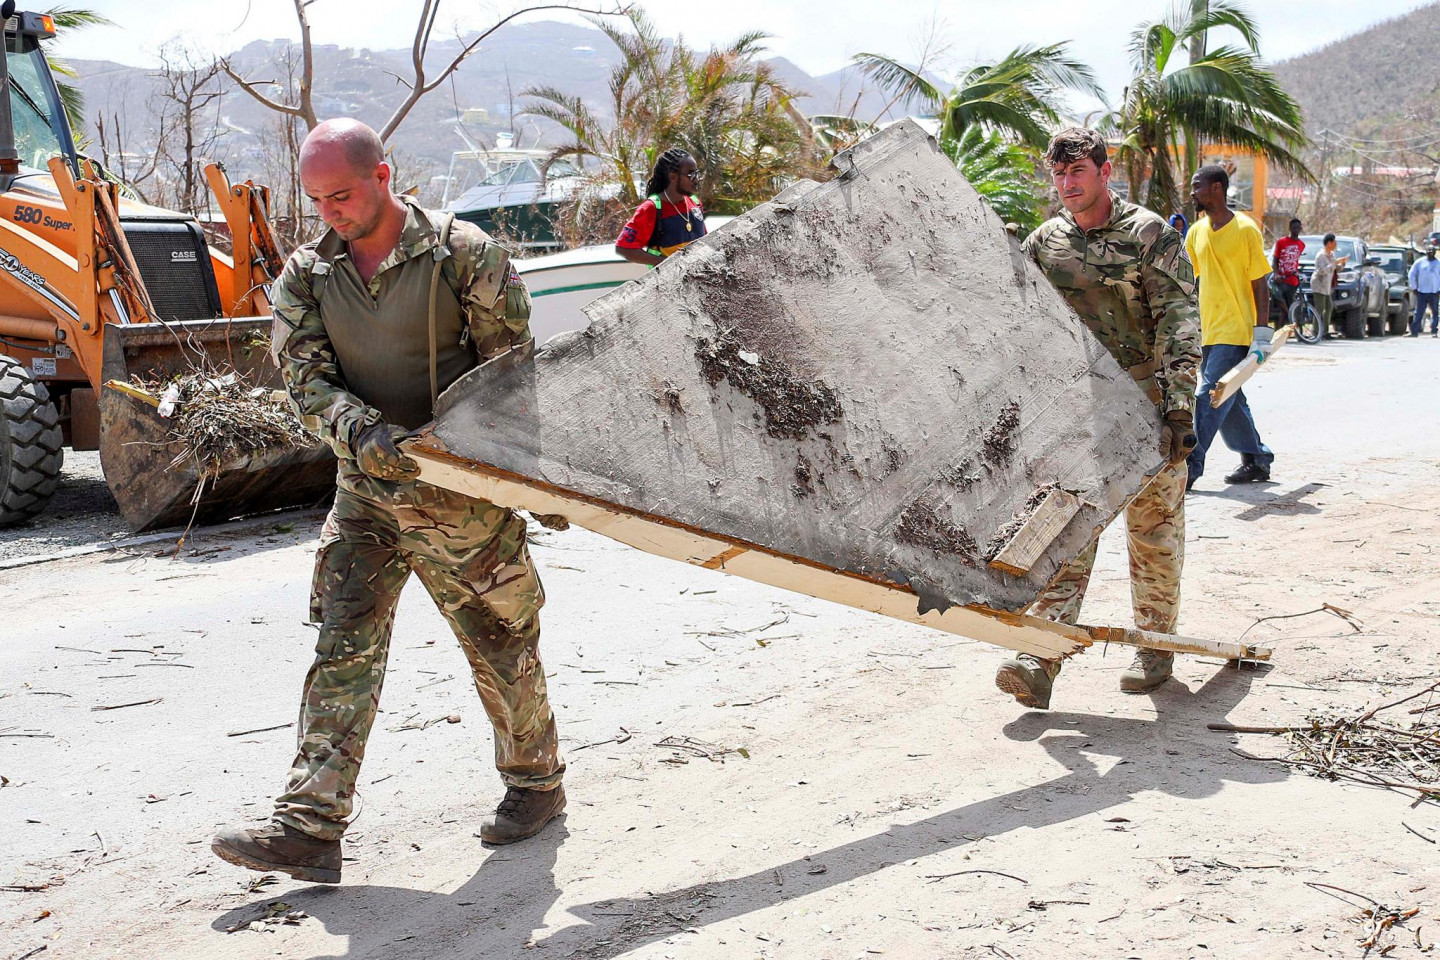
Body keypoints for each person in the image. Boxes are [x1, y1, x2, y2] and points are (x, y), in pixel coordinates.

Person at [210, 119, 567, 885]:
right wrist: (361, 430)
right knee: (342, 645)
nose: (329, 212)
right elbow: (305, 379)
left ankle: (536, 782)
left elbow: (512, 376)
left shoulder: (463, 255)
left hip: (461, 500)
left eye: (341, 195)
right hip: (366, 498)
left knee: (499, 642)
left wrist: (528, 477)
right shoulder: (309, 275)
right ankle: (309, 826)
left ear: (383, 175)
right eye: (317, 200)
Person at [993, 128, 1200, 710]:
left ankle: (1155, 648)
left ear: (1105, 172)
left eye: (1077, 171)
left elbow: (1180, 321)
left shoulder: (1149, 235)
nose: (1067, 184)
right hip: (1076, 414)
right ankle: (1041, 657)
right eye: (1059, 174)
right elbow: (1020, 322)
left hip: (1147, 410)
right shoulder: (1045, 242)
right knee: (1064, 533)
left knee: (1153, 534)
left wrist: (1178, 407)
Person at [1184, 164, 1277, 488]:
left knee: (1211, 394)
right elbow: (1187, 281)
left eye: (1197, 186)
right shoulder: (1196, 232)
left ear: (1217, 188)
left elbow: (1260, 284)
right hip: (1207, 330)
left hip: (1235, 330)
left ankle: (1189, 467)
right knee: (1230, 396)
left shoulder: (1246, 229)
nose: (1192, 193)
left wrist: (1261, 335)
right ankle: (1257, 459)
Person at [615, 148, 706, 265]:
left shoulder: (695, 202)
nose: (696, 180)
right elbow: (624, 248)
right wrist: (665, 264)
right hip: (670, 276)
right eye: (691, 175)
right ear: (673, 177)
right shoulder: (651, 208)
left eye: (697, 174)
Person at [1271, 218, 1305, 326]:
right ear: (1290, 228)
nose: (1296, 230)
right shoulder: (1281, 242)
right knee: (1278, 298)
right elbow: (1275, 260)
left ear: (1300, 228)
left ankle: (1283, 328)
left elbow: (1295, 261)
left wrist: (1296, 272)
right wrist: (1276, 274)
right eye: (1293, 228)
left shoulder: (1301, 244)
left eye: (1298, 228)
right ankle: (1291, 319)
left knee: (1289, 305)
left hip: (1292, 280)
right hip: (1281, 279)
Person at [1408, 244, 1440, 337]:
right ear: (1426, 252)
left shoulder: (1438, 263)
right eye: (1429, 251)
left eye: (1432, 251)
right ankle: (1414, 332)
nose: (1430, 252)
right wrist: (1414, 287)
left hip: (1434, 292)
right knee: (1419, 312)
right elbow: (1411, 274)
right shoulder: (1419, 262)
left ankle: (1434, 331)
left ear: (1435, 252)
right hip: (1421, 292)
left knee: (1435, 312)